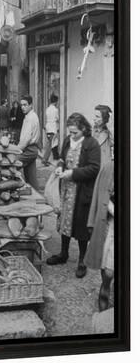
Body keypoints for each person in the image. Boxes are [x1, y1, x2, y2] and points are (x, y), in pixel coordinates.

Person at [46, 113, 101, 278]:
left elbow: (94, 168)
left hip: (82, 191)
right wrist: (60, 167)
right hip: (66, 189)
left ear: (84, 128)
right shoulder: (67, 141)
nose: (72, 135)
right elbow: (62, 158)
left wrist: (73, 173)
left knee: (81, 226)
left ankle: (82, 260)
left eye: (75, 132)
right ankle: (64, 253)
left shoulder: (92, 144)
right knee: (64, 221)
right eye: (70, 132)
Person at [85, 161, 114, 311]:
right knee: (109, 269)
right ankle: (105, 290)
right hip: (112, 224)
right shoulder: (110, 168)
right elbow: (100, 195)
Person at [17, 95, 41, 190]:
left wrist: (15, 150)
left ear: (31, 105)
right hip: (32, 149)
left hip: (29, 149)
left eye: (25, 105)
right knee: (31, 178)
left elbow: (26, 139)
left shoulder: (30, 118)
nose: (23, 107)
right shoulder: (31, 116)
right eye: (21, 105)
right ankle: (37, 197)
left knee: (12, 164)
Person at [42, 94, 60, 166]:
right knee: (50, 144)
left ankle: (55, 156)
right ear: (55, 102)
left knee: (50, 143)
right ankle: (45, 159)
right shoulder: (55, 110)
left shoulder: (47, 109)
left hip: (48, 127)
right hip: (53, 128)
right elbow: (57, 118)